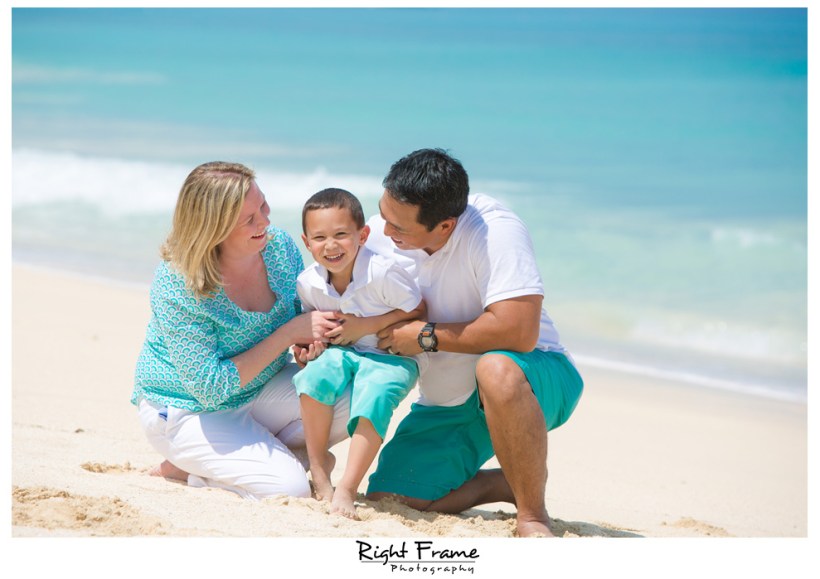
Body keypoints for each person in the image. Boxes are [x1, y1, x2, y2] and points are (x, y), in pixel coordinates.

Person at [364, 148, 584, 537]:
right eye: (384, 215)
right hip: (451, 402)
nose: (384, 232)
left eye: (399, 228)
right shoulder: (387, 230)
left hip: (534, 377)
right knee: (390, 496)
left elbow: (519, 331)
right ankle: (503, 482)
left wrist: (425, 336)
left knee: (495, 367)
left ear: (446, 226)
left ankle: (532, 516)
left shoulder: (495, 230)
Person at [131, 161, 351, 500]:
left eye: (262, 205)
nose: (265, 221)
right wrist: (289, 334)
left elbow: (298, 319)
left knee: (350, 392)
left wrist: (308, 347)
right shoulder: (178, 283)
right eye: (249, 219)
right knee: (290, 489)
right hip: (187, 409)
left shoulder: (278, 247)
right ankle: (191, 466)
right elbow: (210, 388)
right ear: (213, 229)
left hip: (259, 389)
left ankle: (222, 459)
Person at [293, 188, 425, 519]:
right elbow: (313, 326)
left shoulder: (382, 273)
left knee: (376, 393)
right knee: (315, 375)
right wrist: (310, 347)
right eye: (319, 237)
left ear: (363, 235)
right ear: (307, 242)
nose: (331, 245)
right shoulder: (308, 283)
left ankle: (348, 488)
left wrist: (364, 326)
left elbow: (418, 308)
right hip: (344, 352)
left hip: (392, 356)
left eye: (341, 234)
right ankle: (319, 470)